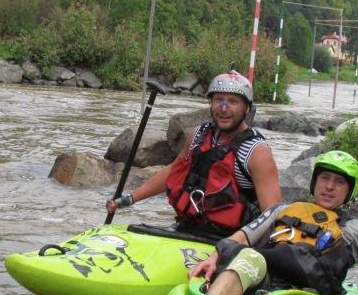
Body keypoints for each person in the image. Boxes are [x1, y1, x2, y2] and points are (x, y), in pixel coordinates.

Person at [188, 150, 358, 295]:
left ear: (349, 191)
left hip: (308, 294)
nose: (329, 187)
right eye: (324, 178)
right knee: (247, 257)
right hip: (263, 273)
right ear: (315, 182)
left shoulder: (355, 229)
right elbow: (243, 237)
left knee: (253, 261)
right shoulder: (282, 209)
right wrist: (215, 256)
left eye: (339, 182)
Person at [105, 70, 281, 236]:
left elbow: (271, 216)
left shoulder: (257, 152)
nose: (224, 107)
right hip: (188, 228)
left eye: (233, 101)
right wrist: (131, 198)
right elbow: (172, 171)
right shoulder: (198, 135)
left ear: (247, 108)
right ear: (210, 103)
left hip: (232, 240)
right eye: (218, 100)